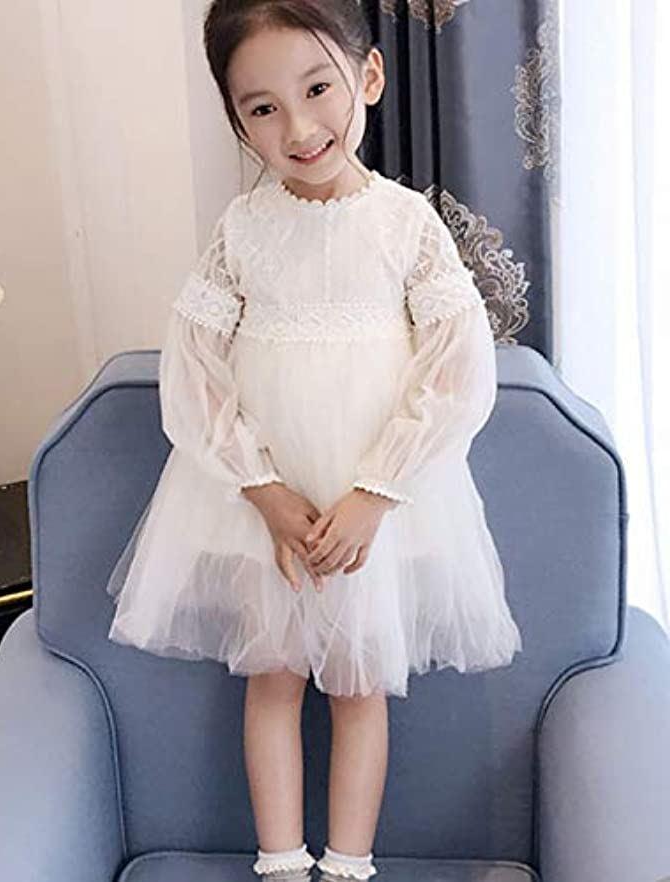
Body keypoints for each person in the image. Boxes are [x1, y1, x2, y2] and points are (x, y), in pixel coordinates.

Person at [105, 1, 523, 879]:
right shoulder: (242, 230)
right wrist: (262, 490)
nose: (297, 128)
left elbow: (455, 368)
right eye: (262, 107)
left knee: (359, 685)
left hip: (372, 506)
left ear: (368, 77)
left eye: (317, 89)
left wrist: (376, 493)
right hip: (266, 506)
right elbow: (195, 366)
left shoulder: (407, 224)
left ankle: (348, 865)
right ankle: (281, 862)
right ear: (235, 118)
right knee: (274, 677)